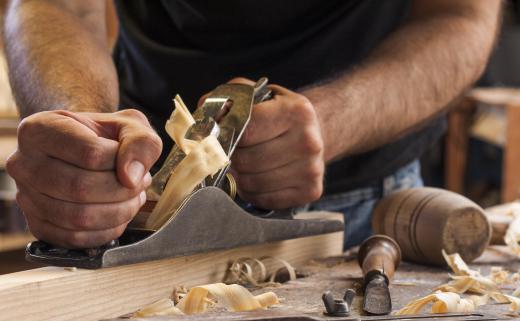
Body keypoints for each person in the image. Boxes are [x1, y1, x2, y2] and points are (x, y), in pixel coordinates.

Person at [4, 0, 501, 249]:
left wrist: (332, 122)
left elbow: (460, 16)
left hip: (359, 219)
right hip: (132, 204)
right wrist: (85, 130)